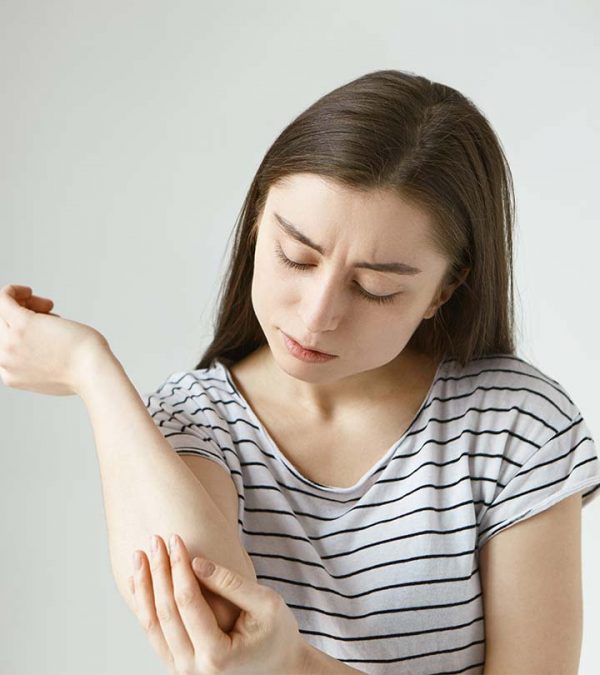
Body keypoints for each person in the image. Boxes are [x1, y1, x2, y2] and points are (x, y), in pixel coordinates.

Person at [2, 69, 599, 674]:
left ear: (444, 291)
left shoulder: (516, 426)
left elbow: (251, 654)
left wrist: (294, 663)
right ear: (257, 220)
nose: (317, 317)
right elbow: (214, 628)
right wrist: (93, 372)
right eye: (296, 257)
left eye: (374, 289)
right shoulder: (195, 422)